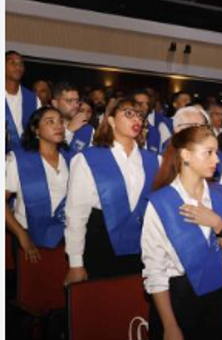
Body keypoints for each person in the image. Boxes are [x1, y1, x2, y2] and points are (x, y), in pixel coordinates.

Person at [142, 126, 222, 340]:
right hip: (177, 299)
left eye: (217, 152)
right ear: (186, 155)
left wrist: (217, 223)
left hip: (215, 295)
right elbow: (155, 271)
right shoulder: (160, 202)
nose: (217, 159)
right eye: (208, 152)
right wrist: (170, 326)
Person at [64, 98, 161, 283]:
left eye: (139, 115)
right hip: (101, 240)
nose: (136, 119)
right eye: (128, 114)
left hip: (143, 245)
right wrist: (75, 263)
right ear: (111, 120)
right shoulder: (88, 158)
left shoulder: (154, 160)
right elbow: (76, 213)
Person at [6, 107, 69, 263]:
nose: (58, 126)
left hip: (68, 234)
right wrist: (21, 235)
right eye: (50, 122)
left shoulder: (72, 157)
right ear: (36, 130)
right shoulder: (18, 159)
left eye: (60, 122)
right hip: (30, 235)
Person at [6, 51, 42, 151]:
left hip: (25, 153)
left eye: (21, 64)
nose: (18, 67)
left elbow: (39, 128)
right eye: (12, 63)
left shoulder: (33, 99)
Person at [50, 82, 92, 157]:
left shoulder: (88, 129)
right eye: (69, 101)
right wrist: (69, 131)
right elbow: (48, 155)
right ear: (55, 103)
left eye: (77, 101)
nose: (76, 105)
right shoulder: (46, 128)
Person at [134, 89, 172, 154]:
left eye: (147, 104)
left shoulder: (154, 131)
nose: (145, 107)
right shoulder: (122, 129)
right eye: (140, 104)